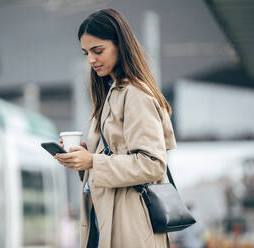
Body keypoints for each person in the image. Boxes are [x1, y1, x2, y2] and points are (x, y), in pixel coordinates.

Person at [54, 8, 177, 248]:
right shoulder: (113, 93)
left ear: (120, 45)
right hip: (108, 221)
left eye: (97, 51)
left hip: (132, 228)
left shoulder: (135, 94)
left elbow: (154, 164)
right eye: (86, 53)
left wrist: (93, 162)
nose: (90, 60)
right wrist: (83, 158)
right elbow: (115, 159)